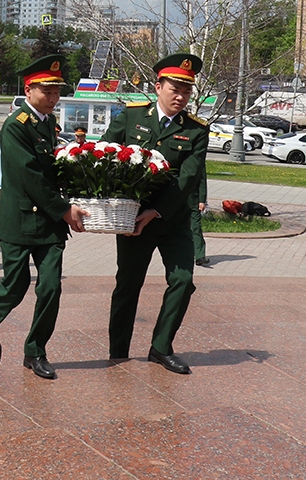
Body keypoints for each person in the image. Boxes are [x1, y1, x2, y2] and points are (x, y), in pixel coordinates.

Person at [100, 53, 209, 375]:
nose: (181, 96)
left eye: (187, 91)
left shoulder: (196, 130)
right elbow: (104, 154)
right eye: (175, 89)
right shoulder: (132, 118)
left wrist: (157, 210)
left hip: (172, 220)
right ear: (158, 86)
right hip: (133, 220)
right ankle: (118, 350)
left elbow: (187, 178)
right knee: (128, 284)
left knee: (183, 280)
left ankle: (161, 347)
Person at [0, 55, 88, 380]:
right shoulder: (16, 126)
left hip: (50, 225)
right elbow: (29, 176)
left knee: (51, 287)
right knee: (16, 285)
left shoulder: (47, 125)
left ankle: (35, 350)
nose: (53, 98)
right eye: (47, 92)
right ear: (29, 90)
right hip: (21, 221)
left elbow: (52, 172)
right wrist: (64, 209)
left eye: (57, 93)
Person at [191, 167, 209, 266]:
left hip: (193, 200)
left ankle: (199, 256)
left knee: (195, 227)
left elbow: (202, 180)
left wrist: (202, 200)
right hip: (178, 201)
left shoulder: (198, 160)